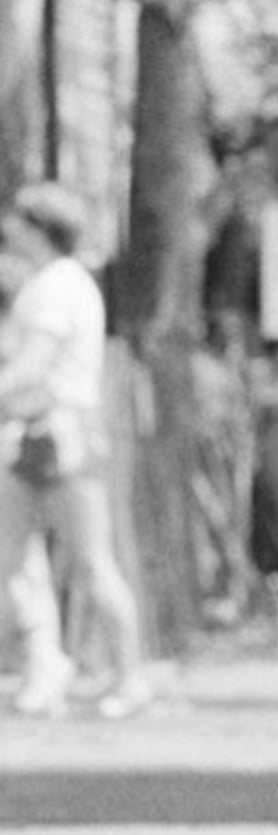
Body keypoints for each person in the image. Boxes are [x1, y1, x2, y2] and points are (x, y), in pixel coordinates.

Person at [0, 180, 149, 718]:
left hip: (56, 434)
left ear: (38, 227)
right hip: (44, 434)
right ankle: (49, 666)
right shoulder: (59, 283)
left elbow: (31, 366)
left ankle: (127, 675)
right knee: (19, 559)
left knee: (88, 560)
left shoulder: (55, 287)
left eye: (17, 219)